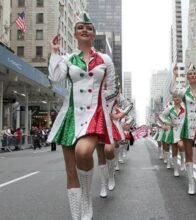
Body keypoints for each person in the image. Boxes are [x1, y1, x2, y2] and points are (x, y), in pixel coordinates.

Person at [47, 11, 117, 220]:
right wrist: (54, 52)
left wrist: (107, 109)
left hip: (94, 115)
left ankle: (87, 198)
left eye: (88, 28)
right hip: (71, 116)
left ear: (94, 34)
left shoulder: (105, 59)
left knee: (84, 152)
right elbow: (55, 78)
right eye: (80, 27)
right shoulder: (67, 59)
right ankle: (77, 215)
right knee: (71, 171)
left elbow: (113, 88)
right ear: (75, 34)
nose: (84, 30)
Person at [171, 63, 196, 194]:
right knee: (189, 154)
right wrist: (174, 76)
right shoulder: (183, 91)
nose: (192, 75)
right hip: (187, 124)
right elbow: (172, 90)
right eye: (190, 74)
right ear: (187, 77)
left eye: (194, 74)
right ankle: (191, 183)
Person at [159, 94, 186, 176]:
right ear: (173, 99)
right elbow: (161, 116)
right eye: (174, 97)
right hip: (173, 130)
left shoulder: (185, 108)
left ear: (181, 98)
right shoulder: (170, 109)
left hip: (182, 130)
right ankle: (176, 170)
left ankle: (182, 161)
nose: (176, 98)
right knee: (174, 150)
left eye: (178, 97)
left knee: (181, 145)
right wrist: (166, 122)